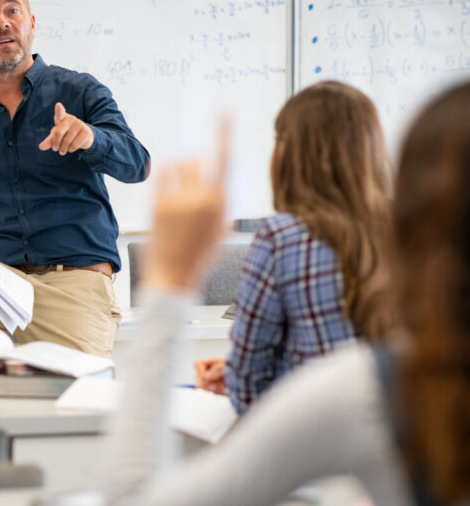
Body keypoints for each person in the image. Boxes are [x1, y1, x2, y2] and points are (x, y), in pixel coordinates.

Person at [102, 83, 470, 505]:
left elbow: (250, 391)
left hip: (308, 472)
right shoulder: (392, 241)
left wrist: (170, 279)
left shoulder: (282, 240)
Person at [0, 0, 150, 357]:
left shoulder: (81, 92)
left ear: (31, 23)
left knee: (73, 399)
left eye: (12, 10)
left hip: (75, 282)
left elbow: (137, 163)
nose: (2, 22)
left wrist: (92, 139)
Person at [195, 81, 390, 412]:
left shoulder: (281, 238)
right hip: (403, 444)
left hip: (316, 443)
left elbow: (249, 387)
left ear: (291, 153)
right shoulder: (413, 232)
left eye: (278, 139)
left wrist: (238, 373)